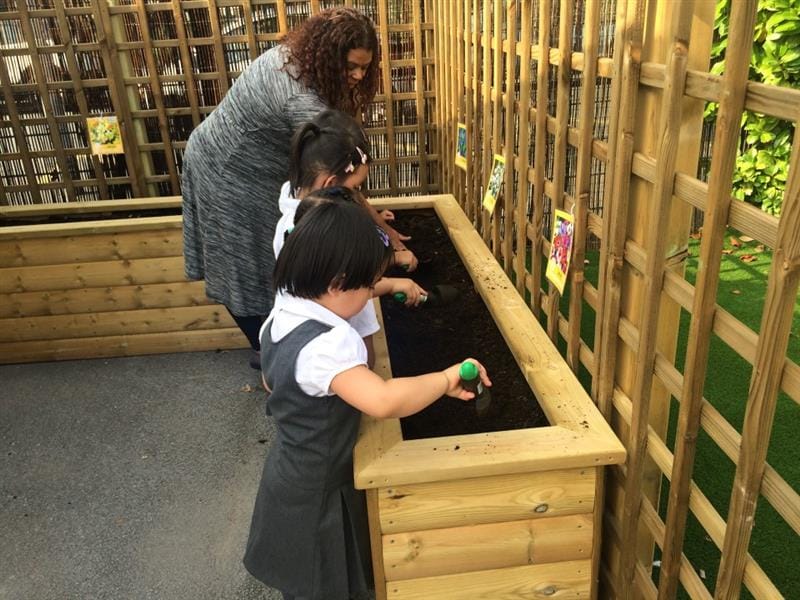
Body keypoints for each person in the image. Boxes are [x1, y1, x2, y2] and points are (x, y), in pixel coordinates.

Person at [243, 200, 491, 600]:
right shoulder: (327, 344)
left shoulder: (283, 311)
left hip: (289, 475)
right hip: (320, 495)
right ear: (339, 282)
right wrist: (445, 379)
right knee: (329, 584)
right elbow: (384, 400)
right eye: (366, 287)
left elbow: (274, 384)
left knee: (308, 584)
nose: (369, 296)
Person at [182, 7, 412, 368]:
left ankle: (274, 346)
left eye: (365, 67)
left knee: (271, 254)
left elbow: (337, 182)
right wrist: (389, 239)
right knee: (246, 264)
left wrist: (375, 221)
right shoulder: (299, 98)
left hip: (259, 170)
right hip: (226, 171)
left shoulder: (302, 59)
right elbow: (341, 187)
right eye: (351, 66)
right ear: (327, 54)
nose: (358, 75)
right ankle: (266, 353)